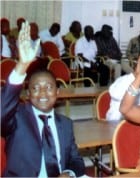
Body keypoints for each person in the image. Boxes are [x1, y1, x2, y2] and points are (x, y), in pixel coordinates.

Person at [1, 21, 85, 177]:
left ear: (58, 92)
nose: (43, 93)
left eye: (49, 88)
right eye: (35, 88)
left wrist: (69, 173)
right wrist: (22, 65)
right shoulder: (16, 117)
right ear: (27, 94)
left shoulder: (66, 124)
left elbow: (76, 160)